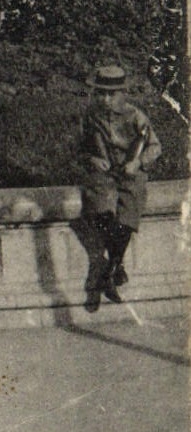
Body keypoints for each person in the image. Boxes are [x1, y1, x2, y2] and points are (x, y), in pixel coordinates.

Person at [78, 63, 161, 312]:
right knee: (102, 209)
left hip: (129, 173)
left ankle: (109, 269)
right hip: (104, 174)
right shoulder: (91, 117)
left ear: (123, 93)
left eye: (111, 94)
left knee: (128, 211)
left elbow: (155, 147)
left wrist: (138, 162)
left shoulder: (136, 116)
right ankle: (113, 270)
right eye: (101, 93)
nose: (105, 99)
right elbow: (80, 149)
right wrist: (93, 159)